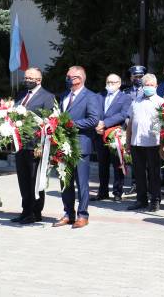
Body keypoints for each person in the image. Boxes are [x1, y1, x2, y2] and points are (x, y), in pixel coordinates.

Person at [53, 66, 100, 229]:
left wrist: (71, 124)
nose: (66, 78)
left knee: (81, 183)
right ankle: (68, 214)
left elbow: (93, 120)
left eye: (69, 76)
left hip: (80, 145)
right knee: (65, 181)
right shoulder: (65, 95)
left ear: (79, 78)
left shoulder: (91, 97)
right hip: (63, 145)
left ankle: (82, 215)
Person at [12, 68, 55, 224]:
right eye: (26, 77)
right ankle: (25, 211)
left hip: (36, 146)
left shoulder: (47, 96)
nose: (27, 80)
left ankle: (36, 212)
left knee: (35, 180)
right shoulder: (21, 95)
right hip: (20, 144)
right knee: (23, 180)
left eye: (30, 78)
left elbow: (48, 120)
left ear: (39, 80)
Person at [126, 73, 164, 212]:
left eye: (151, 85)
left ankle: (155, 200)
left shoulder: (161, 102)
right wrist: (128, 142)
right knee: (139, 172)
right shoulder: (136, 101)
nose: (148, 87)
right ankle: (141, 199)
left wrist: (163, 144)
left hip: (153, 143)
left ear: (156, 86)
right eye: (146, 85)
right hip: (137, 142)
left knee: (154, 173)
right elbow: (130, 122)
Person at [93, 74, 132, 202]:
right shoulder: (99, 96)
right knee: (102, 165)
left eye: (113, 82)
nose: (110, 84)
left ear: (119, 83)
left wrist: (105, 123)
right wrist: (97, 124)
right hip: (99, 135)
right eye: (108, 82)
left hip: (115, 136)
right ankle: (102, 192)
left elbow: (123, 114)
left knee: (118, 165)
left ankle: (117, 192)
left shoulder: (125, 98)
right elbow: (94, 112)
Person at [123, 65, 147, 196]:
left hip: (144, 129)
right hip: (129, 128)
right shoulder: (125, 92)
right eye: (135, 76)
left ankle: (146, 184)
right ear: (131, 77)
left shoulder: (148, 91)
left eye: (140, 76)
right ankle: (135, 183)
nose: (138, 79)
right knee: (133, 158)